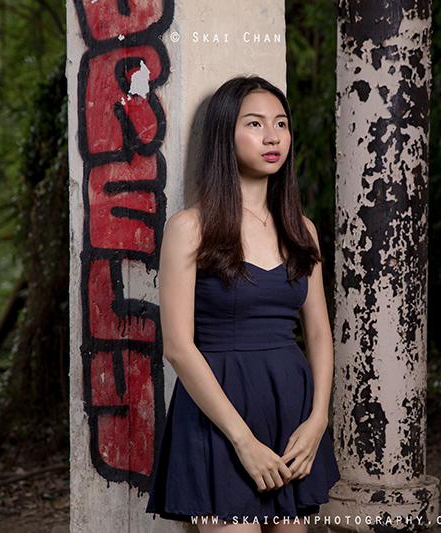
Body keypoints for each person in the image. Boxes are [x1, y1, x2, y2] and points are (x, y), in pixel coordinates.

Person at [146, 75, 339, 530]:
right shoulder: (190, 228)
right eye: (254, 124)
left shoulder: (301, 229)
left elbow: (317, 332)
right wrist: (243, 440)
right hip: (219, 415)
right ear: (224, 135)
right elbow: (177, 346)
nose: (273, 136)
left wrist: (318, 419)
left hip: (290, 407)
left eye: (281, 124)